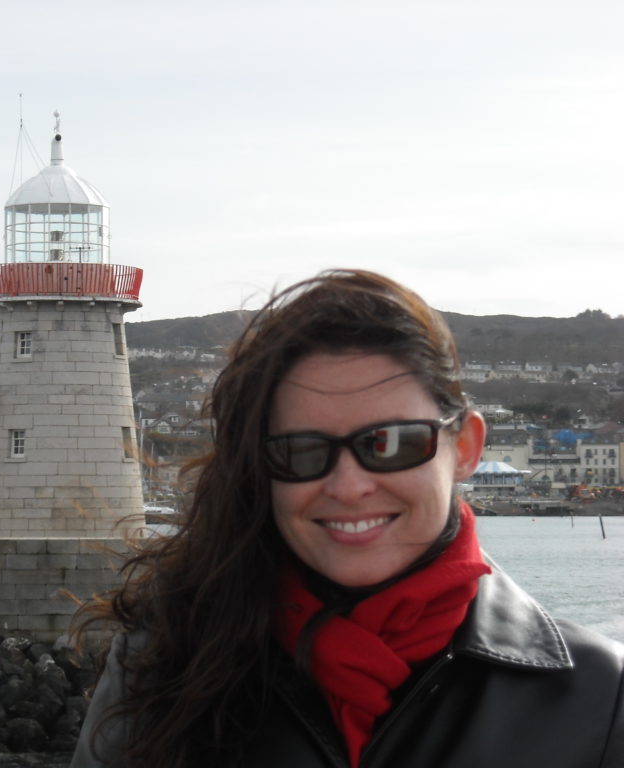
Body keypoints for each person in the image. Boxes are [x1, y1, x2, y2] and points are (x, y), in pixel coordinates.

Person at [70, 269, 624, 768]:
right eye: (301, 452)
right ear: (260, 470)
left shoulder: (600, 700)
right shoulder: (163, 665)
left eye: (389, 443)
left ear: (466, 448)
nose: (350, 486)